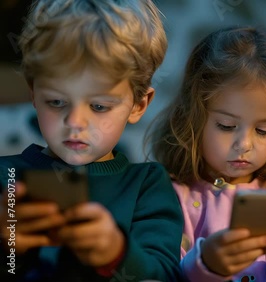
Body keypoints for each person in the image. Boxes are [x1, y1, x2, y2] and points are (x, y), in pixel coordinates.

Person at [0, 0, 184, 281]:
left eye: (98, 106)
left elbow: (165, 275)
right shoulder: (7, 179)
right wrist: (9, 247)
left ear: (138, 104)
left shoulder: (146, 187)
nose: (75, 122)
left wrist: (117, 254)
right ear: (34, 93)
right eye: (57, 101)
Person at [147, 26, 266, 282]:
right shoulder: (172, 195)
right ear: (194, 118)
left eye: (264, 130)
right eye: (226, 126)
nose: (243, 144)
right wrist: (206, 265)